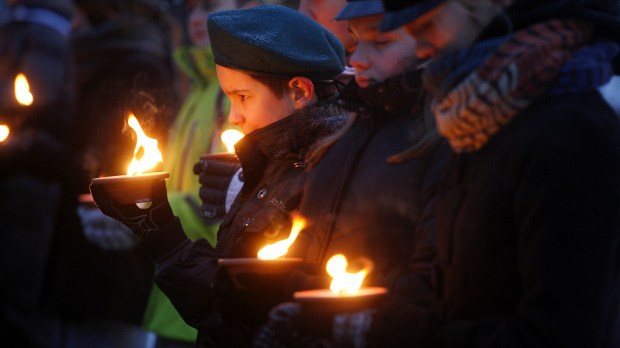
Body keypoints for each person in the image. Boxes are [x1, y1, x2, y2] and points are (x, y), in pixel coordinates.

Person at [313, 0, 620, 346]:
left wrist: (381, 330)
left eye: (428, 26)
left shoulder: (567, 135)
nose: (424, 48)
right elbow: (460, 296)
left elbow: (556, 334)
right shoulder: (477, 123)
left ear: (479, 8)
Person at [90, 4, 347, 347]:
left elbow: (248, 318)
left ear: (299, 92)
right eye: (229, 99)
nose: (233, 117)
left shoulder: (322, 175)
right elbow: (221, 303)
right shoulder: (269, 165)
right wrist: (159, 229)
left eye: (243, 97)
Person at [252, 0, 449, 345]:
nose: (357, 58)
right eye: (356, 42)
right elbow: (310, 239)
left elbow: (434, 278)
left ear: (429, 39)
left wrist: (340, 315)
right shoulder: (347, 132)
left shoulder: (439, 140)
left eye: (382, 43)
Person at [42, 0, 179, 346]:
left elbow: (115, 171)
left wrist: (33, 151)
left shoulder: (138, 67)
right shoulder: (95, 61)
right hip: (78, 237)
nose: (72, 25)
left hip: (112, 247)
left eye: (82, 14)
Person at [141, 0, 255, 346]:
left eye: (208, 6)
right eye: (191, 8)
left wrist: (143, 211)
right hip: (174, 292)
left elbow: (221, 205)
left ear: (246, 7)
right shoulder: (202, 87)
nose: (194, 19)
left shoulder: (233, 96)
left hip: (208, 295)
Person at [0, 0, 73, 345]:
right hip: (23, 180)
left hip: (27, 189)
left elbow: (34, 105)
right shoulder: (24, 28)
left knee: (19, 298)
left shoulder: (42, 35)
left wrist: (15, 141)